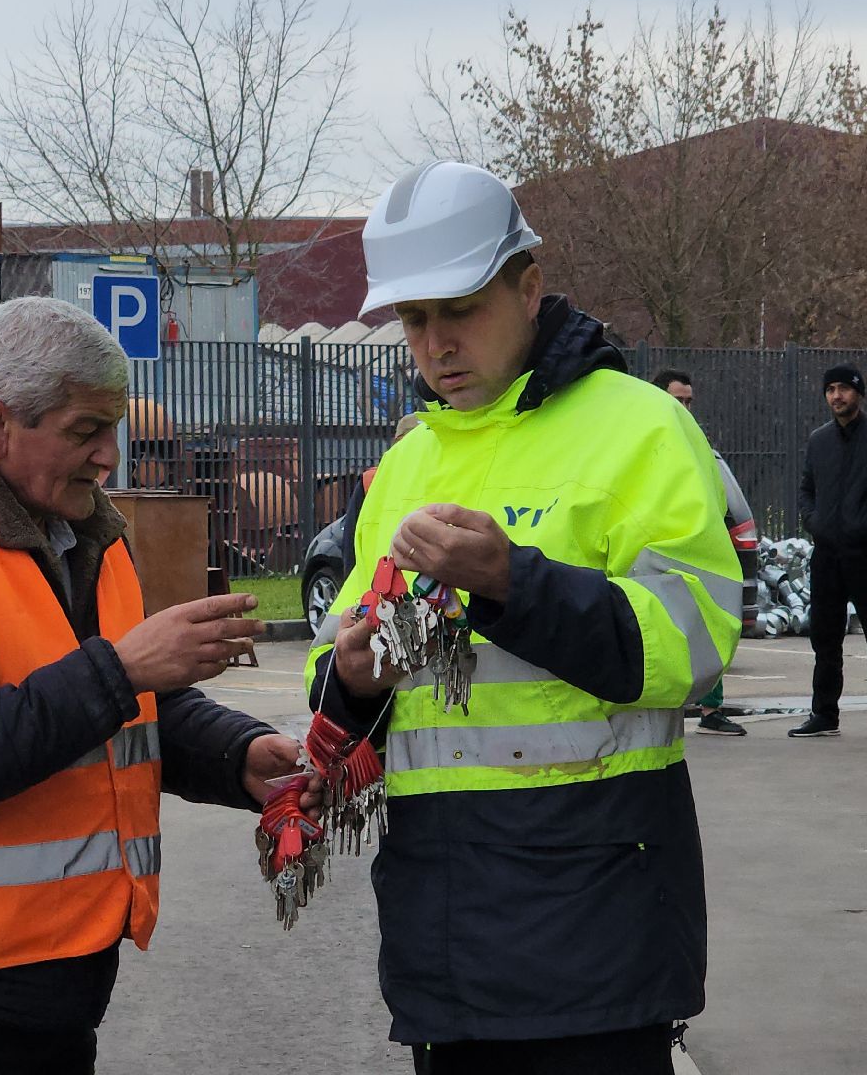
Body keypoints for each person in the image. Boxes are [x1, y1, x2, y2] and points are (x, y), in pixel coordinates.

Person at [0, 296, 317, 1074]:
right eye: (85, 431)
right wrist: (125, 666)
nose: (110, 454)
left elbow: (126, 709)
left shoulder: (82, 532)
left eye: (115, 428)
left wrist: (237, 754)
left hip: (44, 982)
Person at [309, 162, 743, 1074]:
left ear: (529, 286)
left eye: (458, 309)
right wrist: (351, 676)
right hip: (445, 941)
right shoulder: (407, 464)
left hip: (596, 935)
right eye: (414, 320)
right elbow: (341, 675)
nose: (435, 343)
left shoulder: (641, 428)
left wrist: (510, 582)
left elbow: (694, 649)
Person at [790, 364, 867, 741]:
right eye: (830, 389)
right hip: (826, 553)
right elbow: (806, 489)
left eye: (844, 388)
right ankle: (824, 713)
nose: (837, 396)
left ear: (859, 393)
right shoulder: (819, 440)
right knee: (825, 638)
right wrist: (813, 521)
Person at [651, 368, 747, 737]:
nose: (686, 408)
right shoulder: (646, 440)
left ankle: (711, 709)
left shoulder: (697, 444)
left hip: (697, 547)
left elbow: (714, 491)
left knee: (706, 624)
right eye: (679, 400)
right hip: (656, 549)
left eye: (689, 401)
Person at [340, 412, 425, 578]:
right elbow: (353, 540)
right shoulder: (371, 480)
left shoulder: (437, 476)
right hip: (381, 579)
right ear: (397, 444)